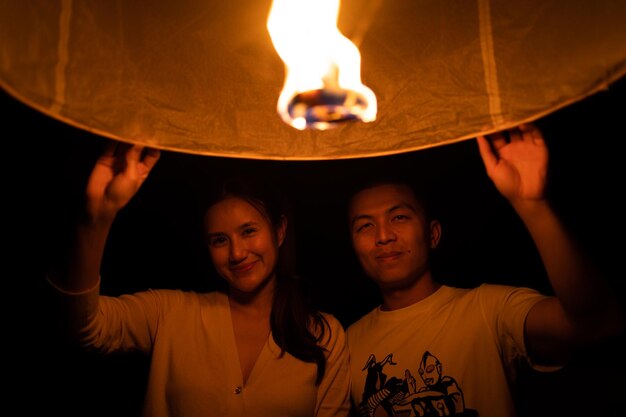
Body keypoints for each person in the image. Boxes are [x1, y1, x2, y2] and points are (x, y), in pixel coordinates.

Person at [47, 141, 351, 417]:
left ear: (280, 231)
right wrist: (96, 219)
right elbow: (81, 327)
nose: (236, 253)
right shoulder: (171, 313)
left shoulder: (323, 335)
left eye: (248, 231)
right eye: (219, 240)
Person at [344, 123, 624, 417]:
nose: (383, 235)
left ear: (433, 234)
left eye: (399, 217)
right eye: (365, 226)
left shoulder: (488, 310)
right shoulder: (346, 345)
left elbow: (599, 323)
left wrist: (532, 205)